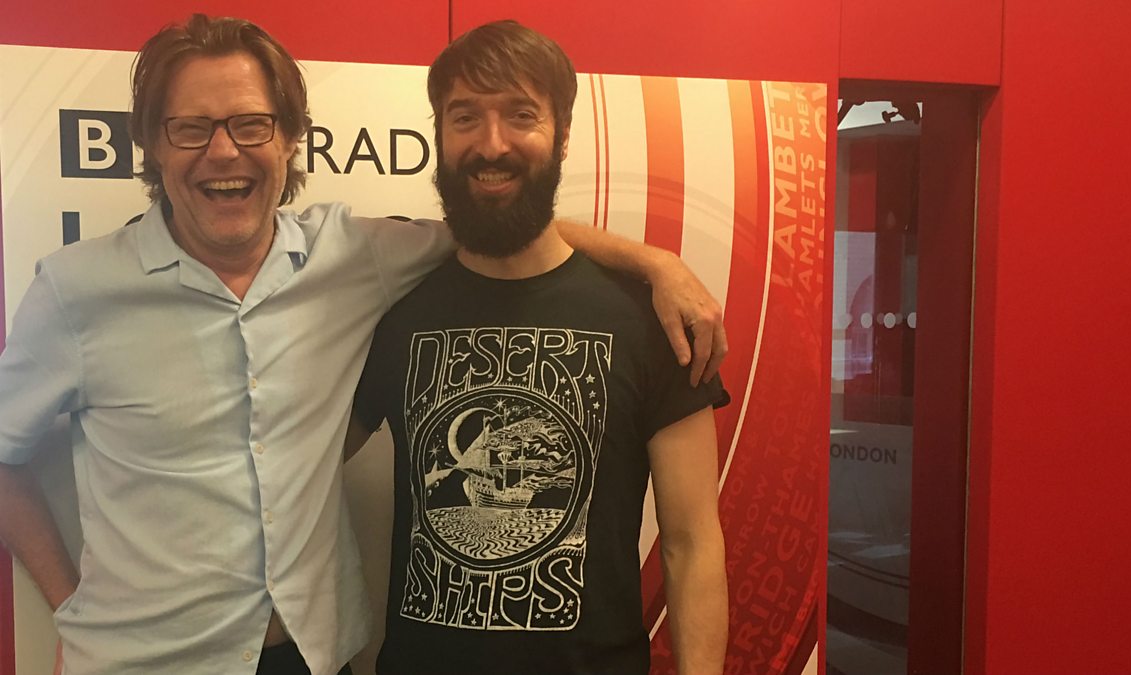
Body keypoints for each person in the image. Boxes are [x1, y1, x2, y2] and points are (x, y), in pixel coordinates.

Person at [0, 14, 725, 675]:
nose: (224, 151)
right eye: (190, 127)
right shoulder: (75, 290)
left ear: (289, 138)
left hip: (310, 660)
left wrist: (654, 263)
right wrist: (69, 604)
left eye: (252, 124)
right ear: (154, 144)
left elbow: (502, 215)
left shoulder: (352, 257)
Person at [347, 20, 729, 675]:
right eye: (465, 116)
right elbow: (301, 468)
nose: (492, 143)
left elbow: (692, 544)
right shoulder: (394, 312)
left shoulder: (653, 322)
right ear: (440, 133)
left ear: (562, 133)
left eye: (521, 114)